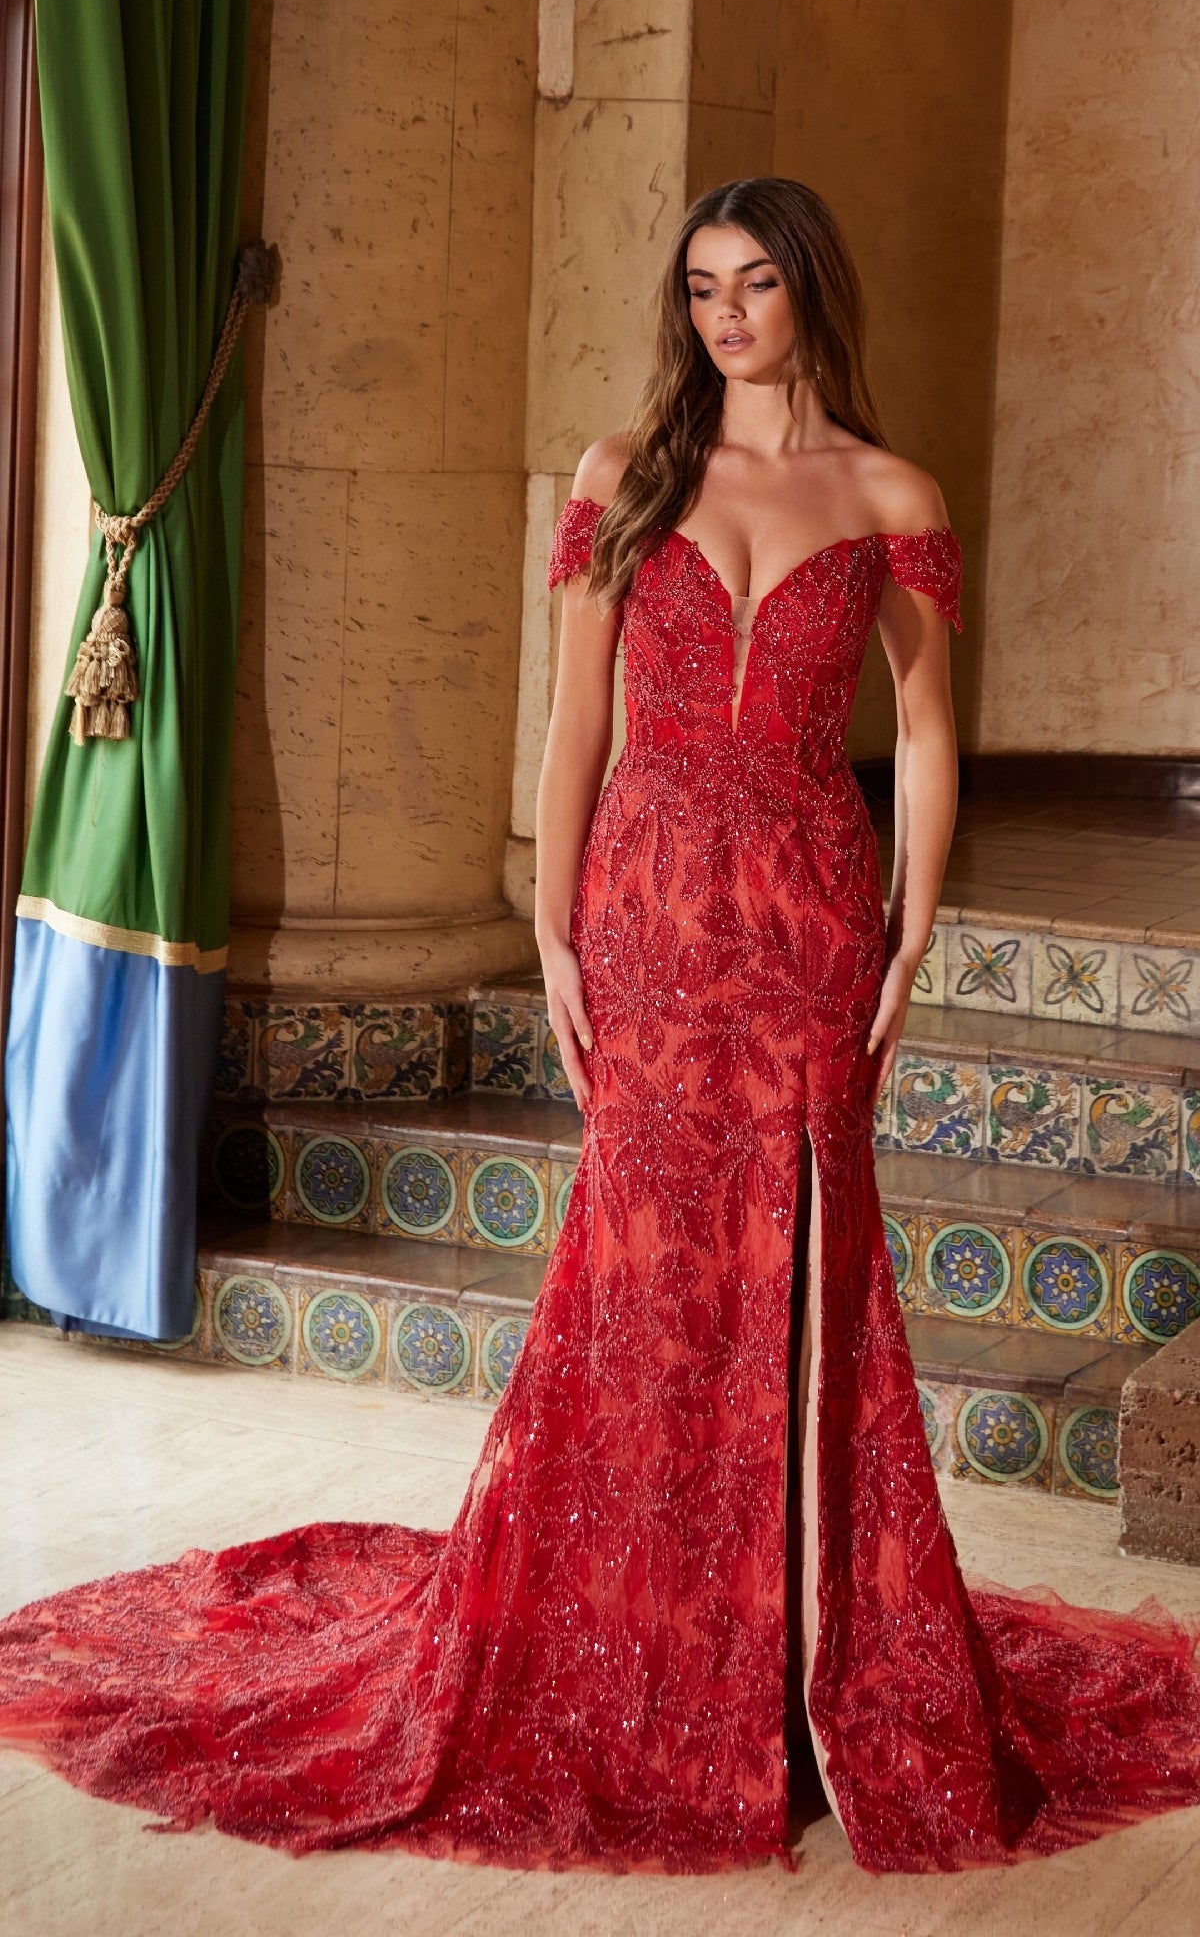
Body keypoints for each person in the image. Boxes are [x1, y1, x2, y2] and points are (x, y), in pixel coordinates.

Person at [0, 175, 1198, 1877]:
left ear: (808, 294)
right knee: (639, 1272)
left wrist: (917, 927)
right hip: (644, 916)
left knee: (807, 1268)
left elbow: (927, 726)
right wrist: (553, 933)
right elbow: (570, 725)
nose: (723, 313)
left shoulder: (887, 491)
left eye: (756, 283)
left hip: (803, 919)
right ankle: (639, 1648)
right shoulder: (619, 479)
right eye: (701, 285)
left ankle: (801, 1666)